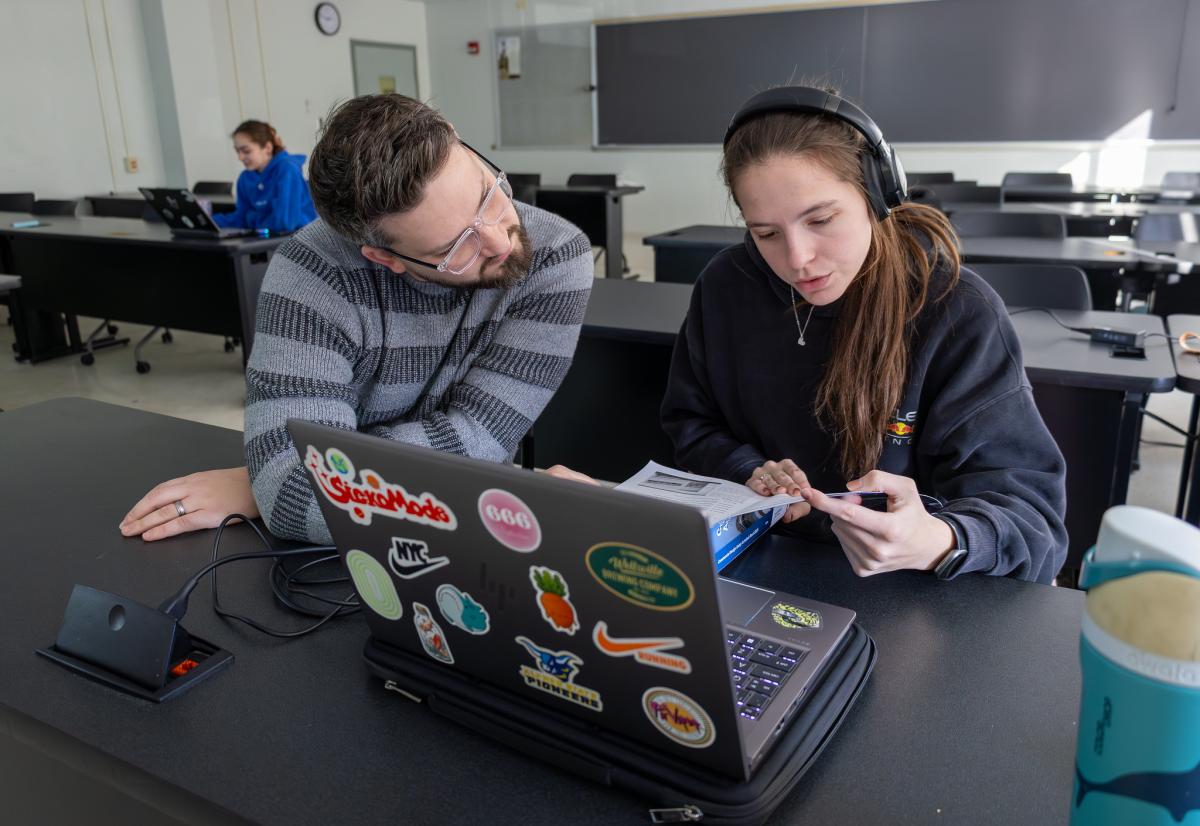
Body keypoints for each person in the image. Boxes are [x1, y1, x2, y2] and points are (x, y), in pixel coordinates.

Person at [120, 94, 595, 543]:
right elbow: (292, 492)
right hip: (388, 542)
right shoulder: (313, 272)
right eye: (454, 248)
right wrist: (292, 478)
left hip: (461, 538)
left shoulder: (555, 256)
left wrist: (316, 471)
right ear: (384, 258)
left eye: (487, 195)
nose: (499, 240)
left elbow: (483, 436)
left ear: (458, 140)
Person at [660, 86, 1068, 584]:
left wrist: (938, 540)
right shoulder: (726, 285)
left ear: (878, 195)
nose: (797, 258)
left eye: (821, 219)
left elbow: (1033, 522)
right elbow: (692, 422)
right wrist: (747, 467)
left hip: (912, 586)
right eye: (766, 233)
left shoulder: (957, 312)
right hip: (765, 561)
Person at [211, 119, 317, 235]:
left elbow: (284, 223)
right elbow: (241, 218)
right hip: (266, 238)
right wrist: (211, 221)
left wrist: (251, 218)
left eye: (246, 151)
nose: (240, 157)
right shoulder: (245, 178)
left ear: (267, 148)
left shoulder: (287, 170)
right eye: (237, 151)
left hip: (299, 239)